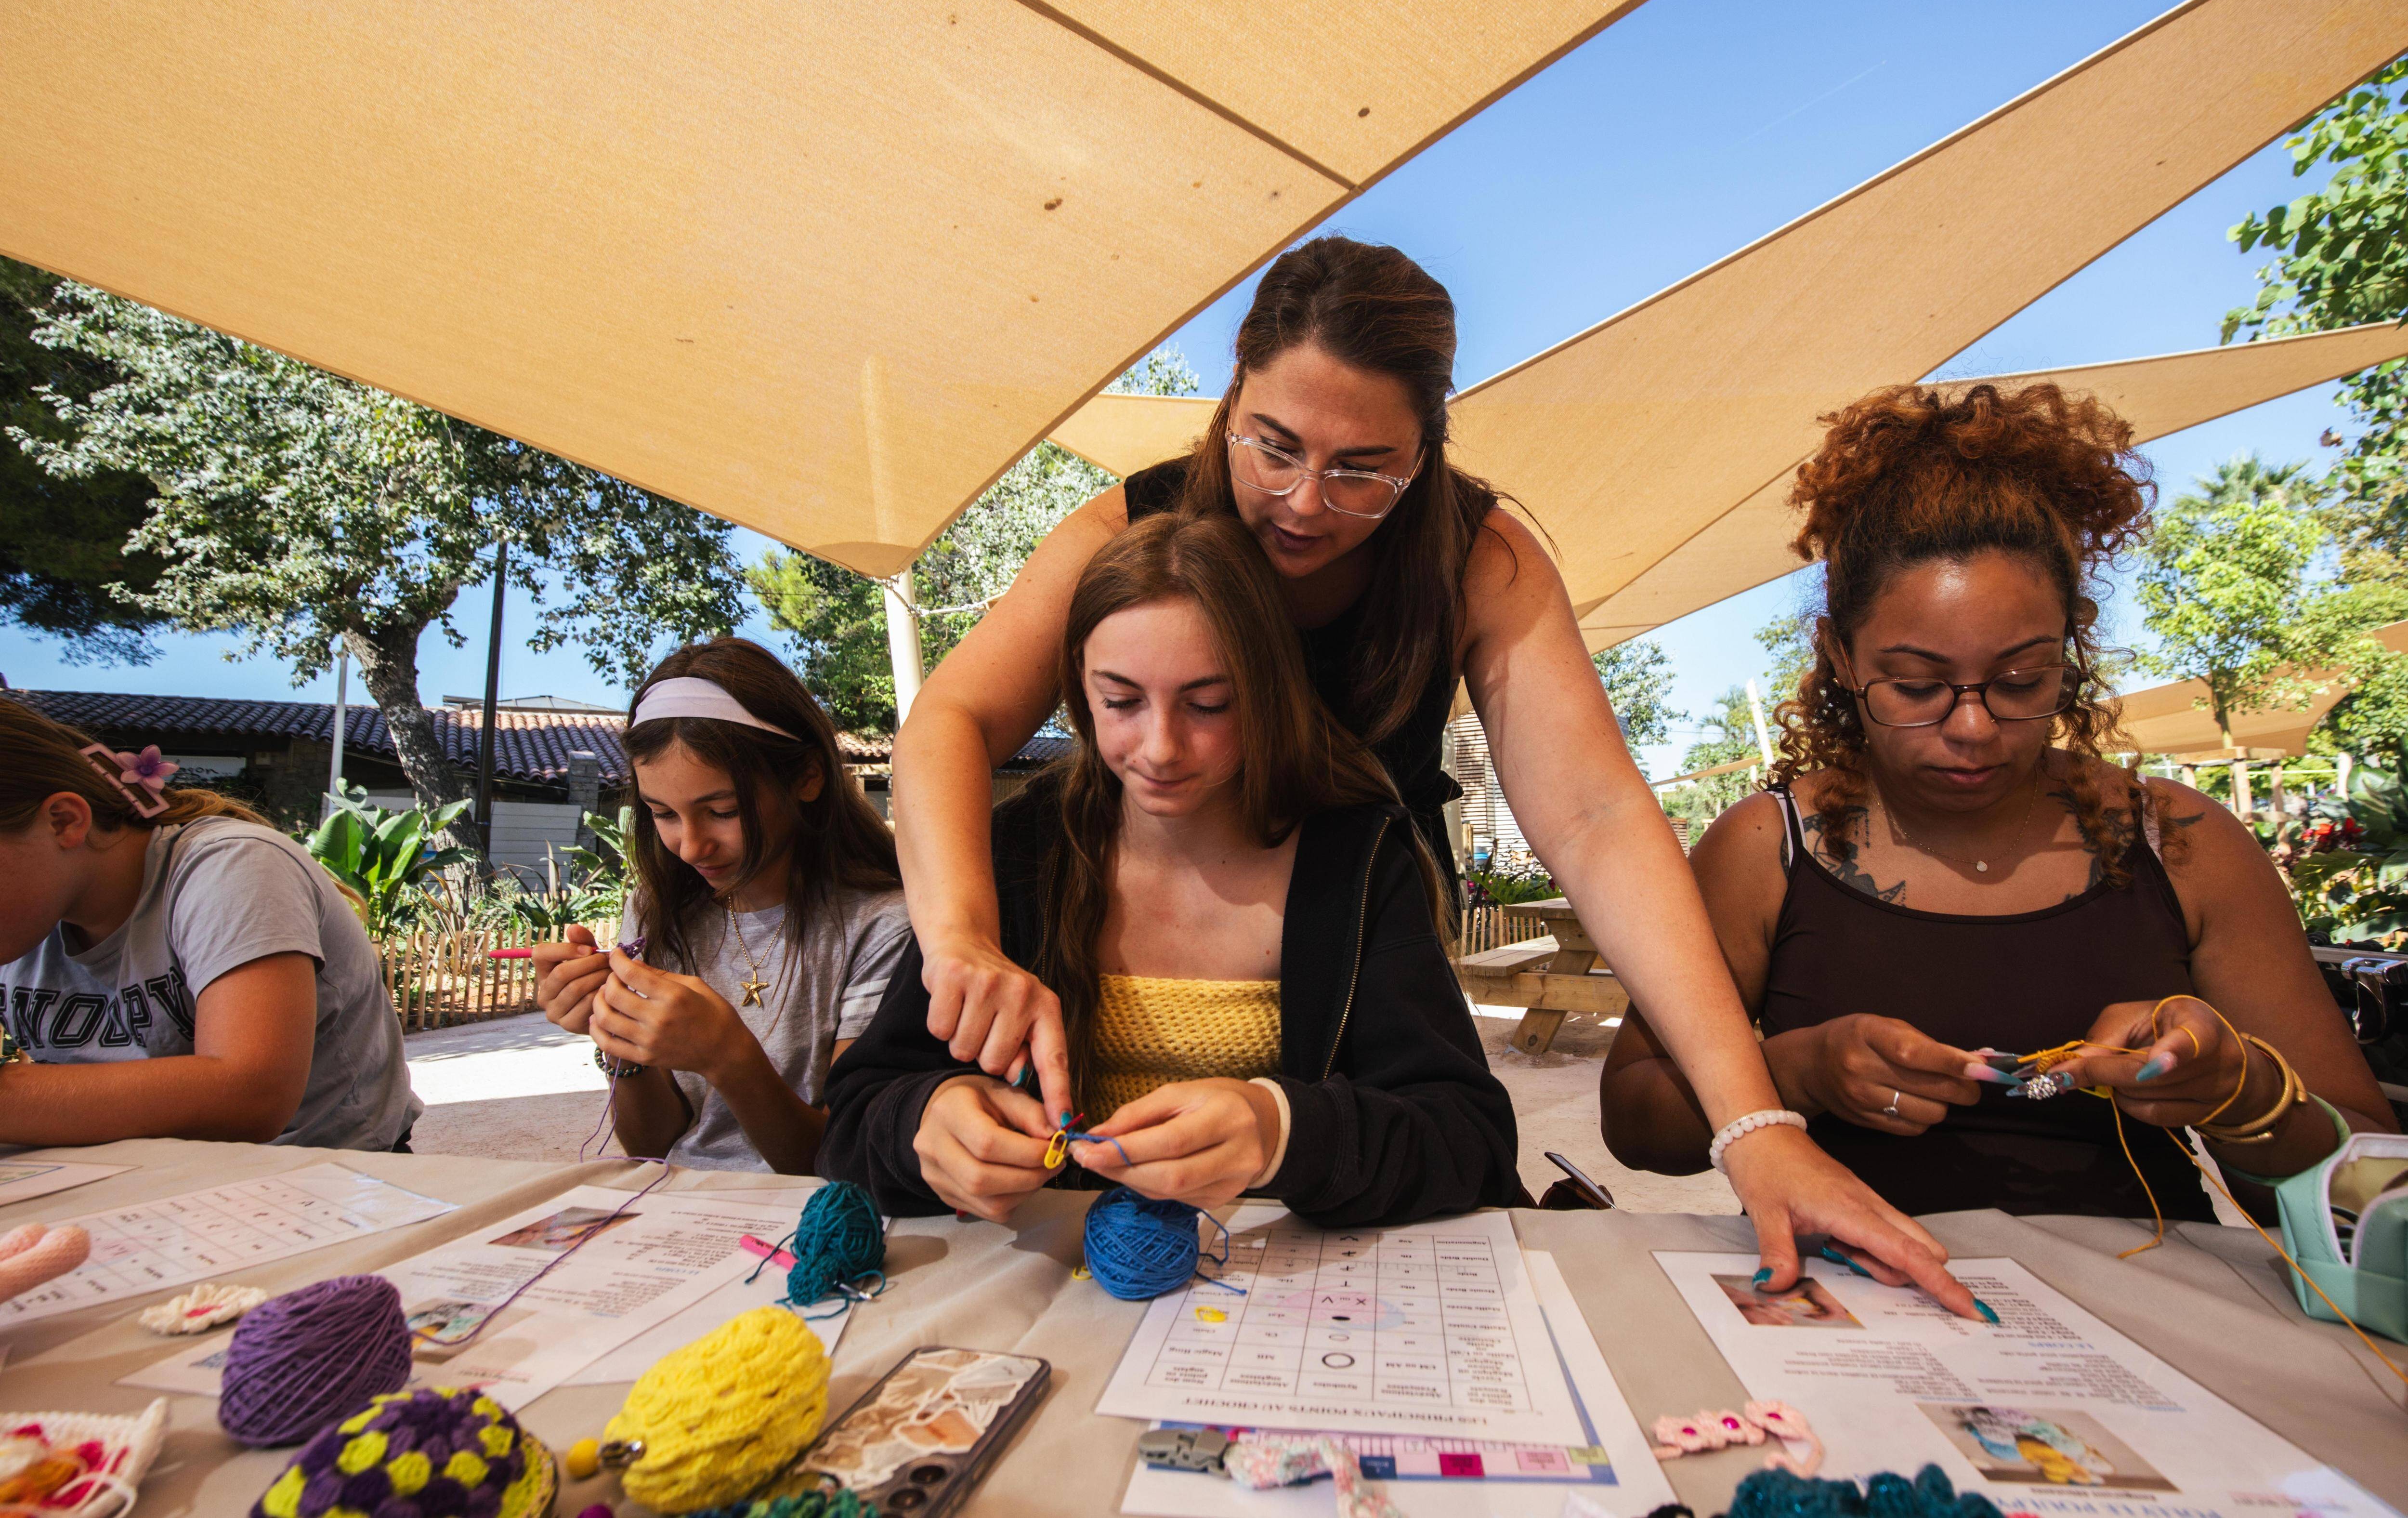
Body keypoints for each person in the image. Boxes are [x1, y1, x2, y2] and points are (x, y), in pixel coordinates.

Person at [890, 235, 1974, 1307]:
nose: (1306, 501)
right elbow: (950, 716)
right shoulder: (1127, 530)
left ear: (1427, 453)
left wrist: (1752, 1127)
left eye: (1363, 469)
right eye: (1270, 445)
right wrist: (962, 941)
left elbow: (1596, 817)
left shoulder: (1477, 557)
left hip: (1358, 934)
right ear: (1227, 405)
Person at [1599, 382, 2395, 1219]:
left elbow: (2369, 1168)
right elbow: (1636, 1119)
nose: (1974, 726)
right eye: (1916, 685)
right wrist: (1800, 1072)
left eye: (2023, 679)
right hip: (1852, 1313)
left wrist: (2243, 1091)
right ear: (1839, 654)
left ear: (2072, 644)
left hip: (2145, 1311)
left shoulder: (2184, 844)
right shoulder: (1769, 849)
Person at [822, 513, 1518, 1226]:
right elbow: (851, 1124)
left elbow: (1471, 1140)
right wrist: (925, 1123)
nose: (1160, 748)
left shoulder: (1358, 864)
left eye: (1209, 704)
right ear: (1078, 690)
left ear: (1269, 694)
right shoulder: (1017, 853)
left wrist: (1282, 1130)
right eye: (1120, 701)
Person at [534, 639, 911, 1173]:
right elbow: (653, 1147)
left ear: (806, 777)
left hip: (813, 1220)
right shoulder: (658, 909)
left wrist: (728, 1056)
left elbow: (838, 1159)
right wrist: (617, 1038)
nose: (690, 847)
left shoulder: (883, 925)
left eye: (722, 810)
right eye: (662, 813)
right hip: (682, 1212)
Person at [0, 697, 418, 1149]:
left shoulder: (232, 865)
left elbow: (248, 1096)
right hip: (133, 1178)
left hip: (323, 1180)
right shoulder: (31, 917)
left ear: (64, 821)